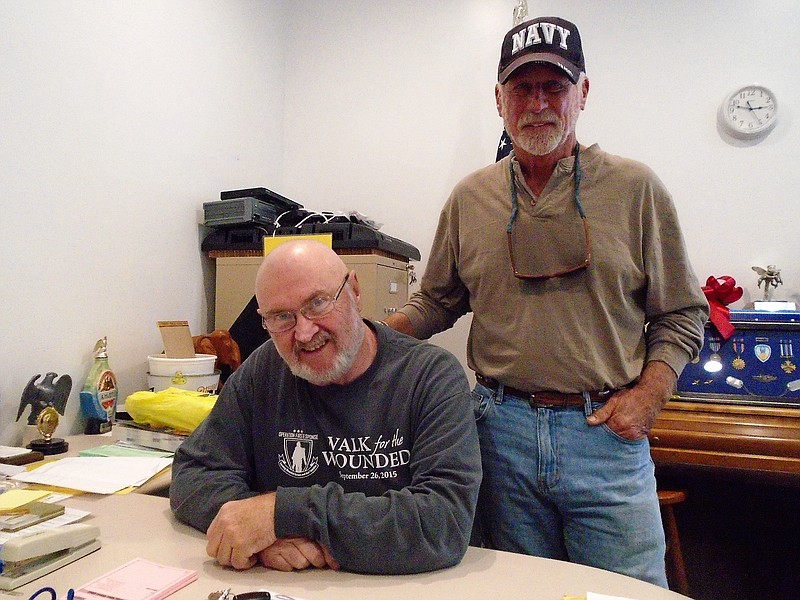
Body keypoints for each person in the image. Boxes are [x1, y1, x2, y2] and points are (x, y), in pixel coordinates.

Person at [382, 16, 709, 587]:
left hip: (606, 435)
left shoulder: (636, 189)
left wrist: (649, 395)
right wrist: (369, 335)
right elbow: (436, 300)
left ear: (582, 93)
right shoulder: (470, 198)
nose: (537, 104)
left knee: (625, 594)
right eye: (521, 88)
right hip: (497, 432)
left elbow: (682, 312)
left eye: (553, 87)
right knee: (518, 590)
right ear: (499, 100)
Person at [170, 239, 481, 575]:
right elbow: (194, 473)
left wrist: (281, 514)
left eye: (317, 303)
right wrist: (261, 534)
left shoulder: (430, 376)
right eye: (281, 317)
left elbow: (443, 523)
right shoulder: (264, 370)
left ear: (355, 292)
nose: (304, 333)